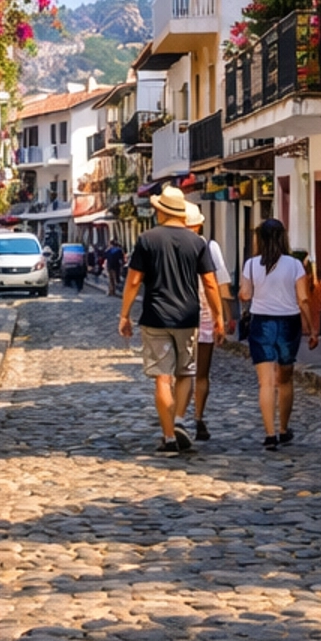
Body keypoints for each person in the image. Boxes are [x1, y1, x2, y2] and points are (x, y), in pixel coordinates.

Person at [119, 184, 224, 456]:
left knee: (162, 378)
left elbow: (134, 281)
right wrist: (218, 317)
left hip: (155, 316)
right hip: (188, 318)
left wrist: (125, 314)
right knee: (186, 372)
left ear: (160, 210)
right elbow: (210, 284)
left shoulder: (147, 239)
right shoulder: (197, 243)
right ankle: (178, 420)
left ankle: (167, 438)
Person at [239, 216, 318, 448]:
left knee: (265, 382)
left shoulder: (251, 264)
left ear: (260, 240)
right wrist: (312, 329)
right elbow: (303, 299)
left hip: (261, 324)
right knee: (285, 380)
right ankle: (284, 428)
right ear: (283, 238)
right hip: (288, 324)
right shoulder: (294, 265)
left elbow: (245, 294)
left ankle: (270, 434)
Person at [183, 202, 232, 444]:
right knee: (201, 374)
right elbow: (218, 283)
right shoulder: (209, 247)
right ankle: (198, 418)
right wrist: (224, 316)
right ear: (200, 223)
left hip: (177, 319)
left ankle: (176, 419)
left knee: (180, 373)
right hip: (204, 318)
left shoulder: (173, 246)